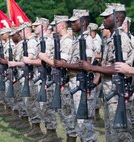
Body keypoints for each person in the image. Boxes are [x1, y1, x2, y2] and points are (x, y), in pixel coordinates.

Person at [79, 3, 133, 142]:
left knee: (121, 134)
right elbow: (107, 65)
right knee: (111, 132)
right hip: (111, 92)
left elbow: (118, 68)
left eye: (106, 17)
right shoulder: (112, 38)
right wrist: (94, 82)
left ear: (117, 18)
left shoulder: (120, 38)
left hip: (118, 92)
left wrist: (91, 68)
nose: (103, 19)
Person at [54, 9, 97, 141]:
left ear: (83, 21)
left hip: (82, 83)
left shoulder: (87, 40)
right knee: (78, 122)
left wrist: (64, 65)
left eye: (75, 21)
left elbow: (86, 65)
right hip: (75, 82)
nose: (72, 24)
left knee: (84, 123)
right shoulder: (78, 40)